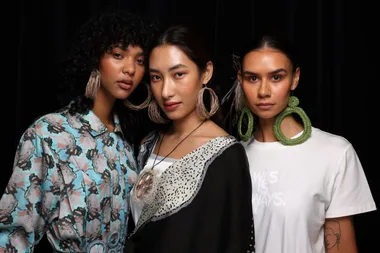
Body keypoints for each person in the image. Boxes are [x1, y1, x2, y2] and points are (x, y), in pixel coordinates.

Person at [0, 9, 158, 252]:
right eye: (118, 54)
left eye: (139, 60)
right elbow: (14, 236)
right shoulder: (49, 133)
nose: (130, 69)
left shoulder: (125, 141)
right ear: (94, 58)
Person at [223, 34, 377, 253]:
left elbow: (341, 247)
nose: (264, 91)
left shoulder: (334, 153)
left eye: (276, 77)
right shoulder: (232, 156)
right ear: (241, 80)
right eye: (253, 78)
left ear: (294, 79)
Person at [125, 24, 254, 253]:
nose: (166, 91)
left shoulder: (226, 155)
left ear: (206, 73)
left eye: (178, 74)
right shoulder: (148, 143)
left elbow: (234, 242)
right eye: (156, 77)